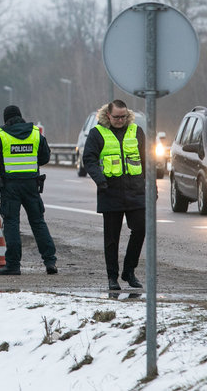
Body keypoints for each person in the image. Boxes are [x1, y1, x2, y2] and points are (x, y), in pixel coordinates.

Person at [0, 105, 58, 275]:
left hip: (10, 187)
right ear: (20, 117)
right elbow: (45, 157)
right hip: (31, 185)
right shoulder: (35, 133)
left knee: (11, 224)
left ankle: (13, 265)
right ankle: (50, 261)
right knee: (38, 222)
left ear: (5, 119)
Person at [82, 100, 146, 290]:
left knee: (141, 229)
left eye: (123, 116)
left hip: (136, 191)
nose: (120, 120)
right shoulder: (97, 133)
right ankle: (112, 277)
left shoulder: (137, 131)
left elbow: (146, 160)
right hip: (109, 191)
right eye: (116, 117)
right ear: (108, 115)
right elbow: (89, 159)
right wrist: (100, 180)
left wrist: (152, 189)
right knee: (111, 239)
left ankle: (129, 271)